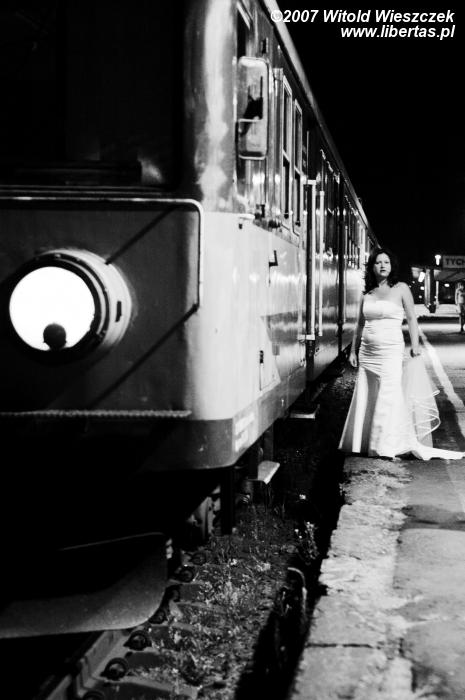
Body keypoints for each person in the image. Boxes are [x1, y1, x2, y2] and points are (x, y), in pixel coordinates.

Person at [339, 247, 464, 461]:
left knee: (388, 396)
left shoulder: (401, 288)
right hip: (367, 353)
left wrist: (415, 345)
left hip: (391, 351)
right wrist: (353, 351)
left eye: (386, 262)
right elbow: (360, 324)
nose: (383, 265)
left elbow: (412, 318)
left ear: (392, 266)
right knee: (367, 395)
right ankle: (363, 442)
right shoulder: (366, 293)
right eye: (378, 262)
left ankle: (384, 446)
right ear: (372, 267)